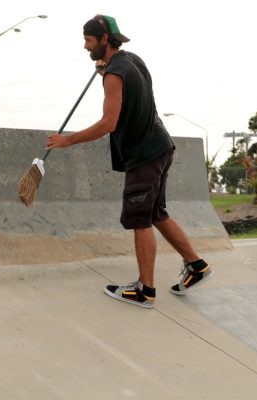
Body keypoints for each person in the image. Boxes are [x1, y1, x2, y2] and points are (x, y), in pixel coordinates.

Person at [46, 14, 213, 309]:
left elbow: (108, 124)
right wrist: (106, 70)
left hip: (144, 155)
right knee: (157, 212)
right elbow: (133, 91)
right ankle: (196, 265)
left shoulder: (114, 74)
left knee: (140, 219)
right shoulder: (131, 60)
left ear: (104, 40)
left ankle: (144, 290)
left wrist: (67, 140)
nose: (85, 47)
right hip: (161, 145)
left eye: (88, 40)